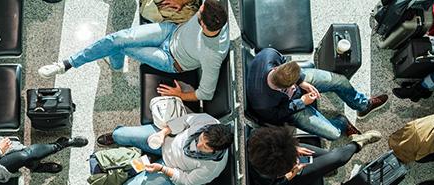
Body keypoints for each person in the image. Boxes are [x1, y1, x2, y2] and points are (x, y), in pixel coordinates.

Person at [38, 0, 229, 101]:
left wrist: (180, 94)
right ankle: (67, 64)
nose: (199, 7)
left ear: (202, 23)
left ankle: (114, 63)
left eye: (199, 12)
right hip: (171, 30)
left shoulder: (212, 55)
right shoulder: (215, 15)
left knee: (120, 45)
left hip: (171, 60)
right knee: (118, 39)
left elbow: (206, 94)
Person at [244, 48, 389, 140]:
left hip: (295, 86)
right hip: (289, 107)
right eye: (294, 84)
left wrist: (301, 81)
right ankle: (342, 123)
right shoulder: (263, 103)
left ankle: (363, 105)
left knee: (340, 81)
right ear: (288, 87)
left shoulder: (269, 54)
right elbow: (277, 115)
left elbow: (284, 61)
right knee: (334, 134)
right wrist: (302, 102)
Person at [95, 113, 233, 185]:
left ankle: (150, 161)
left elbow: (186, 181)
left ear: (215, 151)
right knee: (120, 134)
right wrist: (163, 133)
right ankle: (119, 140)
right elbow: (185, 121)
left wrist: (162, 169)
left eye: (205, 146)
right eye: (201, 138)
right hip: (165, 141)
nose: (198, 145)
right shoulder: (208, 122)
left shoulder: (211, 168)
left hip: (170, 167)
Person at [246, 125, 382, 185]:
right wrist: (292, 173)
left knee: (328, 157)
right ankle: (357, 143)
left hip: (281, 156)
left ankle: (327, 169)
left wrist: (293, 148)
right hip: (288, 178)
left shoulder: (254, 135)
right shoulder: (265, 179)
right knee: (335, 158)